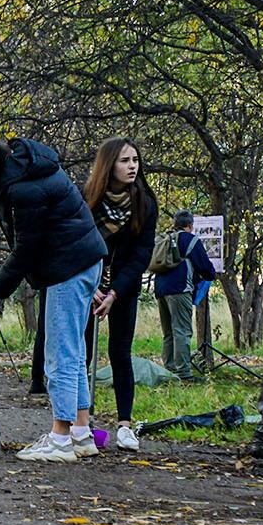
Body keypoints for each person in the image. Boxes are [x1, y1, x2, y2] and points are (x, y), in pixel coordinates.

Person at [0, 133, 107, 463]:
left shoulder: (24, 188)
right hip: (85, 261)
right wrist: (2, 211)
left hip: (67, 268)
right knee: (75, 349)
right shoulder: (28, 166)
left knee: (60, 353)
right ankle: (81, 433)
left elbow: (27, 250)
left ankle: (59, 438)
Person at [82, 138, 157, 449]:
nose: (132, 166)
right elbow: (79, 242)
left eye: (135, 160)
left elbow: (142, 254)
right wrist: (94, 286)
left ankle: (125, 425)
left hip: (124, 286)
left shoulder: (145, 202)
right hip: (88, 284)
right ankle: (79, 422)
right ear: (109, 164)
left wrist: (114, 292)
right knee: (81, 354)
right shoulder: (89, 199)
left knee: (120, 353)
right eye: (125, 160)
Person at [151, 210, 218, 378]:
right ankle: (183, 373)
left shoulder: (165, 238)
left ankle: (169, 369)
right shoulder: (189, 239)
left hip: (160, 289)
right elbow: (205, 266)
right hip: (180, 289)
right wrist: (211, 275)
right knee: (182, 330)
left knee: (168, 332)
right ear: (189, 225)